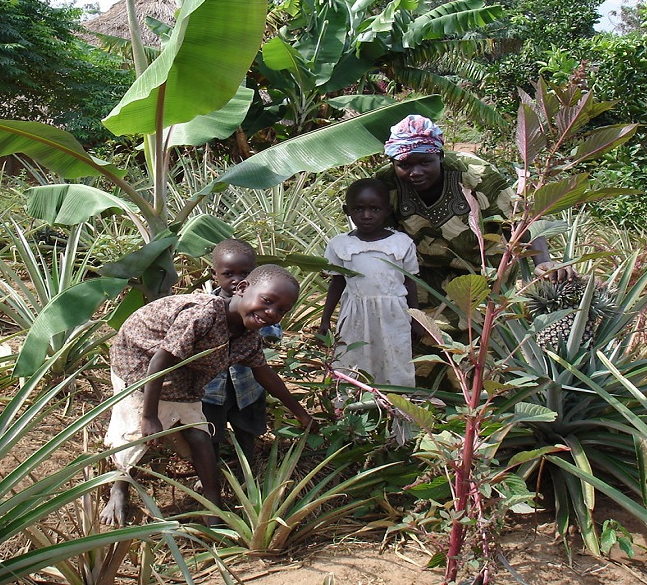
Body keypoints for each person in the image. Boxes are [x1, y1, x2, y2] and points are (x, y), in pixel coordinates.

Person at [100, 264, 313, 526]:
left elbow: (263, 372)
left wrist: (301, 414)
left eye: (281, 310)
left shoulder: (248, 335)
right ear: (242, 288)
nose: (272, 313)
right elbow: (159, 362)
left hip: (183, 371)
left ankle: (213, 506)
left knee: (199, 434)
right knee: (135, 435)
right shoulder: (203, 315)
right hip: (140, 363)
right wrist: (150, 416)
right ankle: (119, 487)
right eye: (267, 301)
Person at [375, 115, 574, 382]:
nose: (416, 172)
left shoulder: (474, 174)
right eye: (404, 165)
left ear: (440, 156)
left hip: (484, 270)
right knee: (422, 339)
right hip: (424, 275)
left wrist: (543, 261)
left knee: (482, 342)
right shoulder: (386, 183)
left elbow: (519, 217)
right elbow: (379, 235)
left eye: (425, 162)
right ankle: (432, 398)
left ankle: (481, 397)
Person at [318, 179, 421, 388]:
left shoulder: (401, 243)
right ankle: (352, 404)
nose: (366, 215)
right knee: (353, 359)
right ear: (347, 211)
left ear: (387, 210)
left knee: (395, 360)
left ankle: (395, 405)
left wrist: (417, 319)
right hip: (355, 316)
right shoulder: (340, 244)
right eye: (358, 209)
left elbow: (410, 282)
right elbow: (337, 283)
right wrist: (325, 319)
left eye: (374, 209)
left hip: (394, 315)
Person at [201, 239, 280, 468]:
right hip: (210, 387)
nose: (236, 280)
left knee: (247, 427)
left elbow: (273, 332)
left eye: (245, 273)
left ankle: (247, 468)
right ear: (214, 274)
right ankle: (211, 471)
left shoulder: (262, 305)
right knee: (210, 431)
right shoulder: (204, 308)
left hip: (247, 384)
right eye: (228, 274)